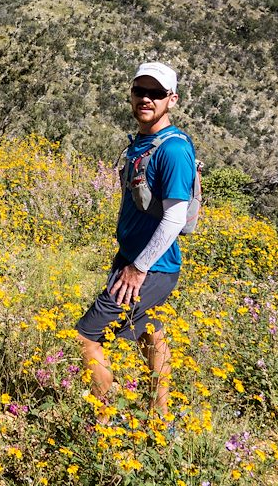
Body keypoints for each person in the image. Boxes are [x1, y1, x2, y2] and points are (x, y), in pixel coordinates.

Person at [75, 61, 196, 418]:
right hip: (138, 262)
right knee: (150, 333)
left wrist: (138, 268)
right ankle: (160, 418)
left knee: (86, 338)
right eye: (140, 91)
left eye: (156, 93)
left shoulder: (172, 150)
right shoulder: (145, 142)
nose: (146, 99)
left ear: (171, 100)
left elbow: (175, 217)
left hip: (149, 269)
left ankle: (107, 417)